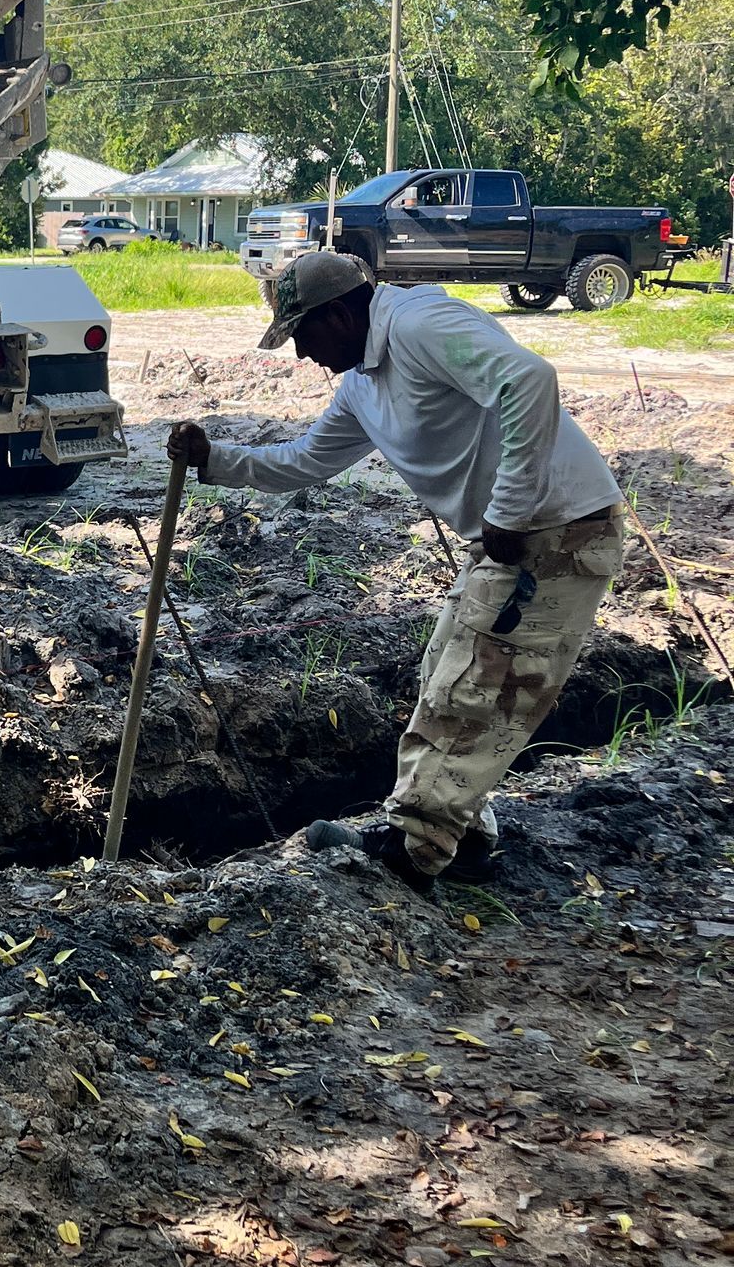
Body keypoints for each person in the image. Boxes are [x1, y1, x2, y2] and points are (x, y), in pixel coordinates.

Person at [168, 249, 624, 886]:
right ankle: (460, 834)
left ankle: (412, 851)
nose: (302, 355)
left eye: (303, 334)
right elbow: (303, 462)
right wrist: (213, 458)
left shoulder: (417, 324)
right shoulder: (361, 383)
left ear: (340, 313)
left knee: (470, 690)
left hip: (557, 532)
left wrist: (509, 509)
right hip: (511, 541)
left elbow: (529, 381)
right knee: (444, 671)